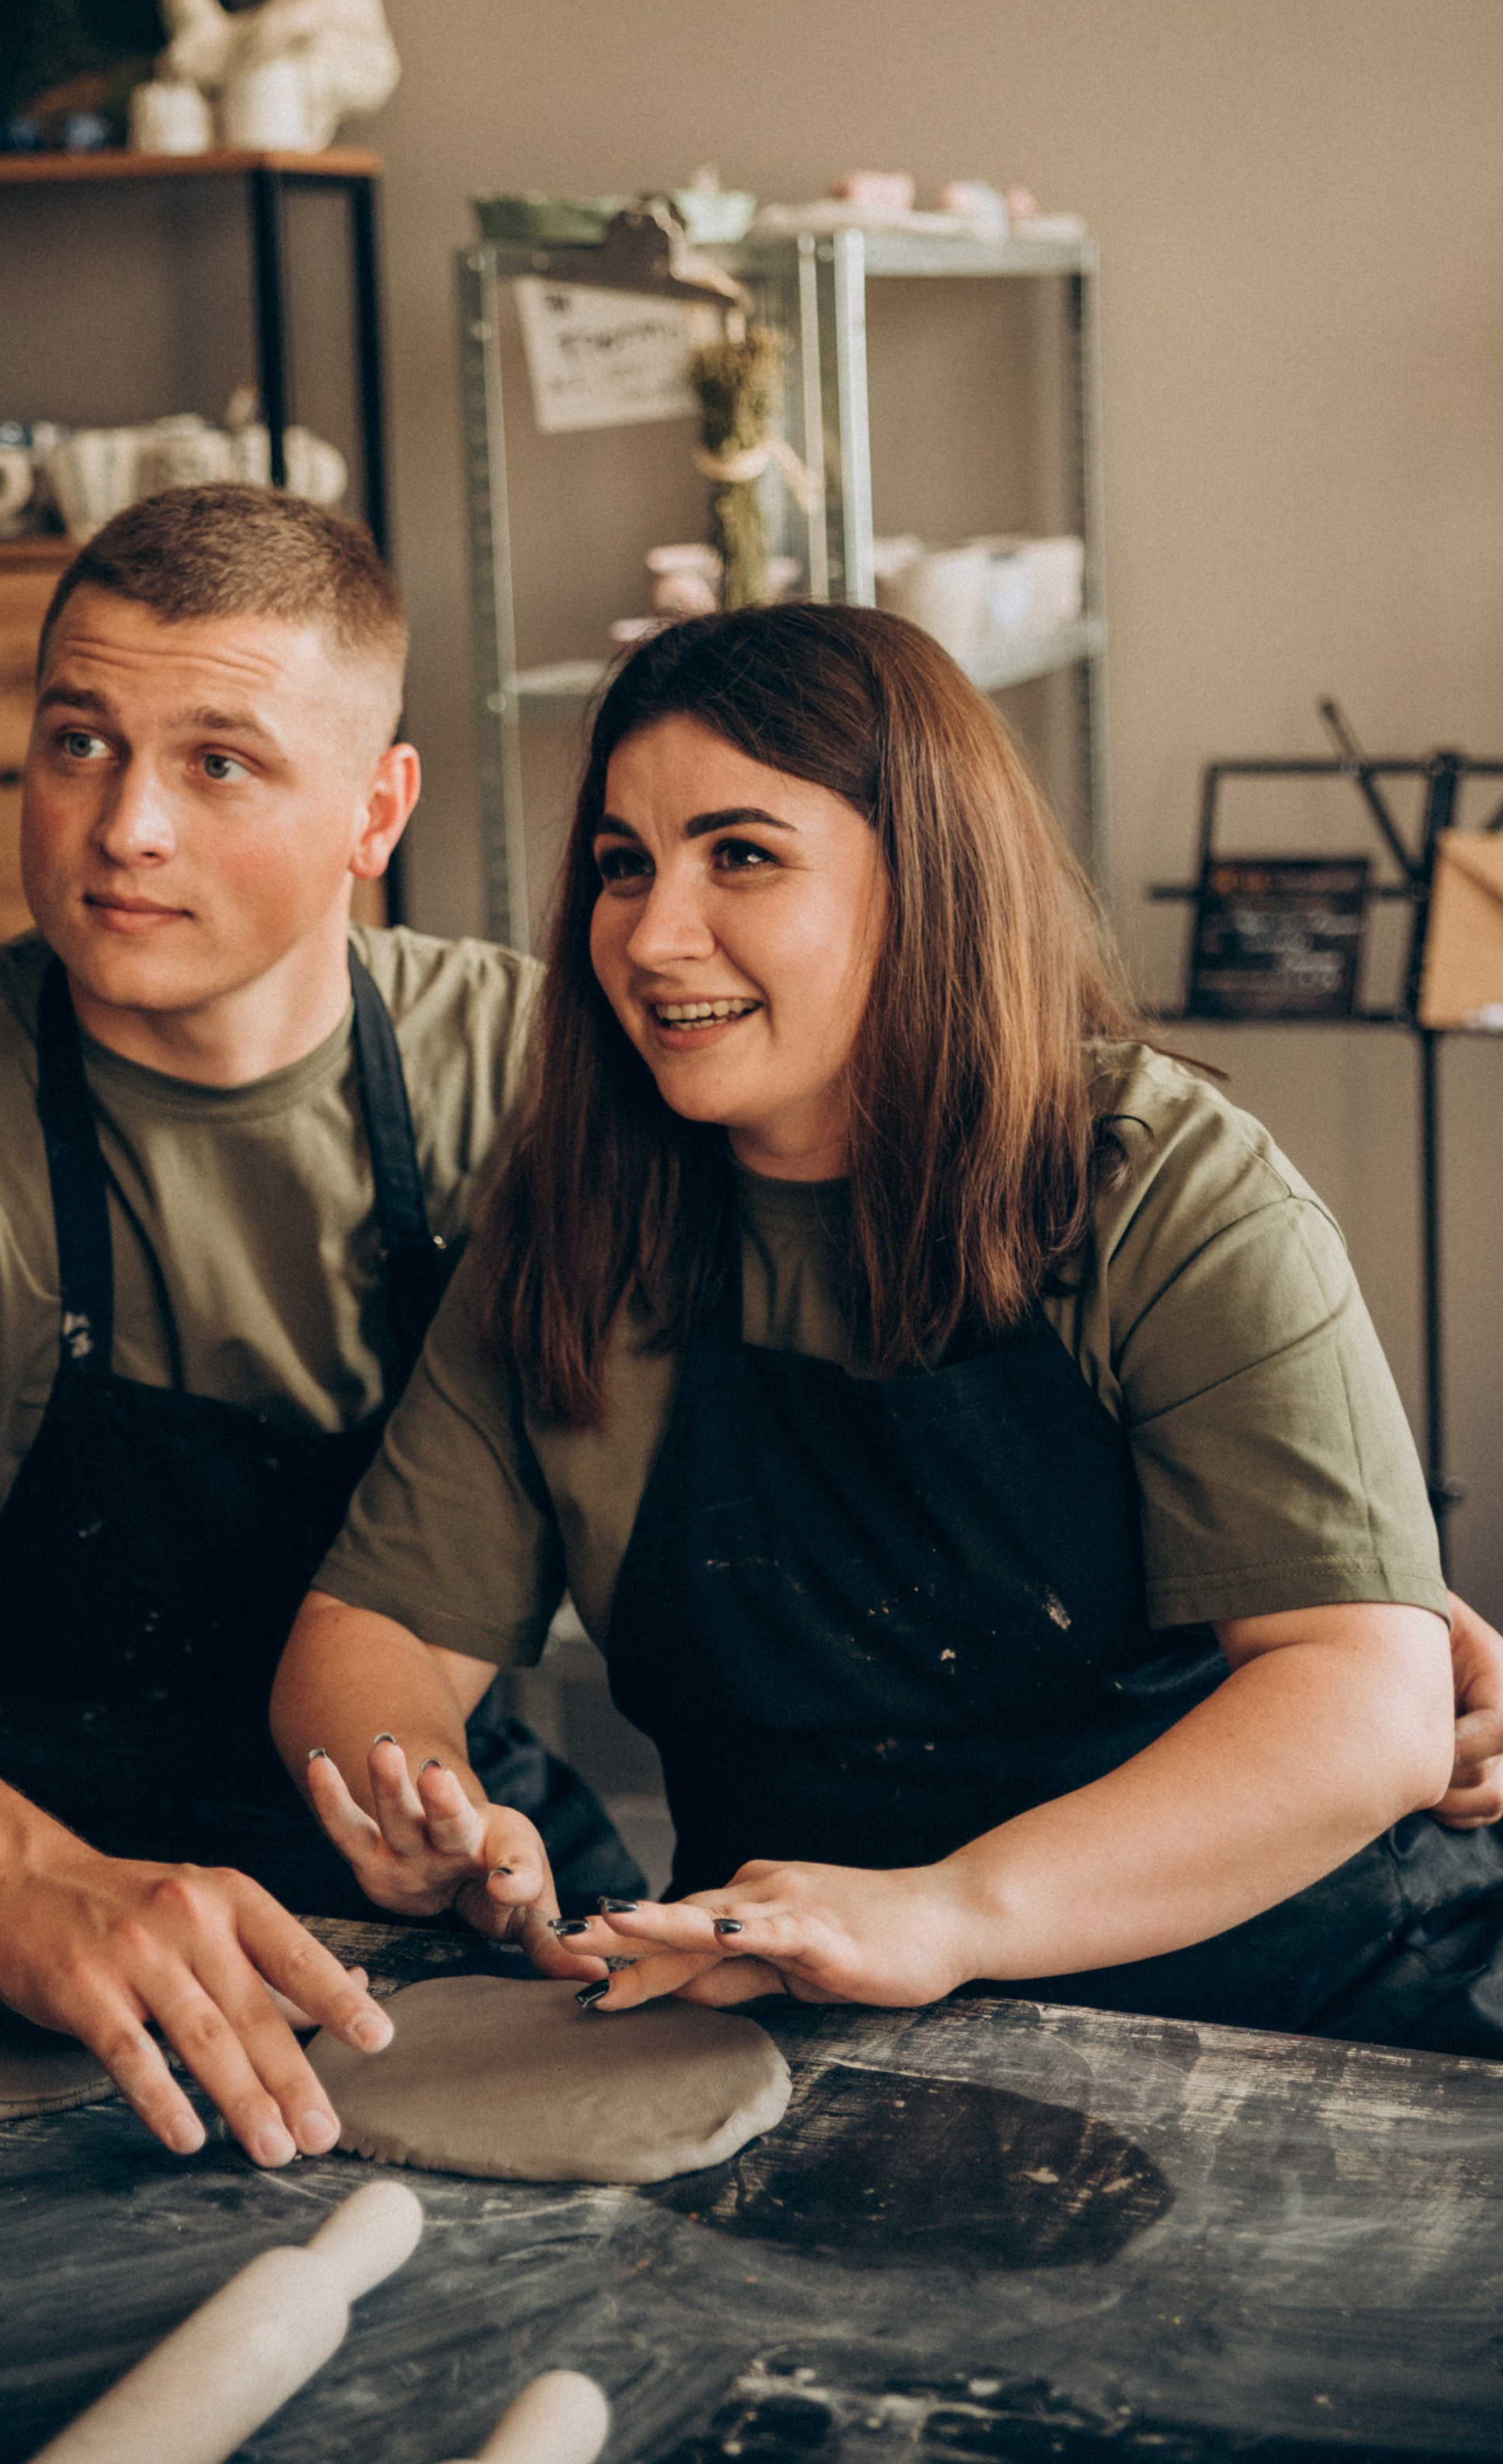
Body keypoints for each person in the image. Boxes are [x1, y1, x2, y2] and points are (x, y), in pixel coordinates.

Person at [274, 601, 1503, 2052]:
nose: (655, 936)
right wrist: (419, 1796)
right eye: (623, 865)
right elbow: (373, 1630)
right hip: (821, 2025)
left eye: (742, 855)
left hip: (1309, 2015)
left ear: (927, 883)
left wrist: (945, 1912)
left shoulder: (1161, 1183)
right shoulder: (577, 1229)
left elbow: (1364, 1700)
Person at [0, 485, 637, 2171]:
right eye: (79, 742)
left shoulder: (547, 1086)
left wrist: (430, 1815)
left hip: (394, 1854)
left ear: (373, 807)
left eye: (219, 762)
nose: (125, 828)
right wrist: (6, 1874)